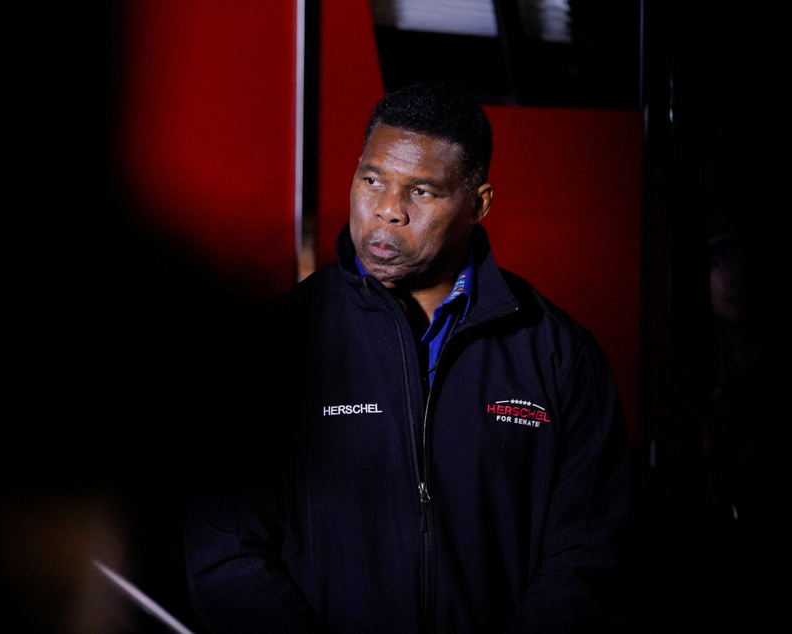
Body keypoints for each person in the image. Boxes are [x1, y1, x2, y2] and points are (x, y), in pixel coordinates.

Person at [183, 83, 629, 633]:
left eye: (422, 192)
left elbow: (589, 555)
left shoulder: (557, 354)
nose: (388, 211)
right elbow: (228, 554)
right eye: (372, 180)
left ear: (478, 204)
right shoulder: (272, 345)